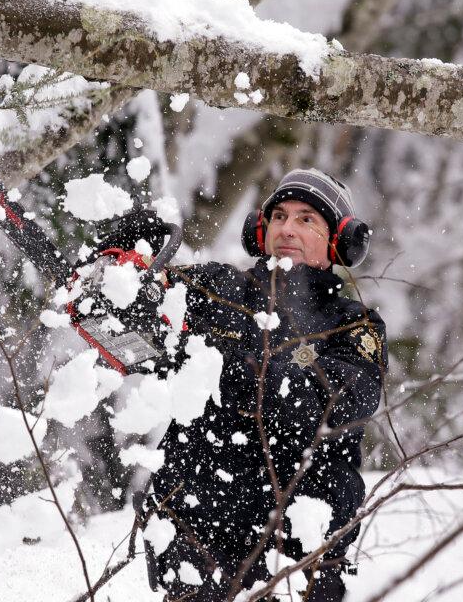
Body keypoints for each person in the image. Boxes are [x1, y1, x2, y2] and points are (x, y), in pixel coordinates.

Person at [144, 168, 387, 602]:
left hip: (295, 557)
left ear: (340, 242)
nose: (287, 228)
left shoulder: (355, 325)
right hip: (194, 541)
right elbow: (136, 311)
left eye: (306, 218)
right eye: (278, 216)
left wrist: (233, 363)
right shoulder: (217, 288)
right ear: (260, 228)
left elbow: (330, 404)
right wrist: (124, 268)